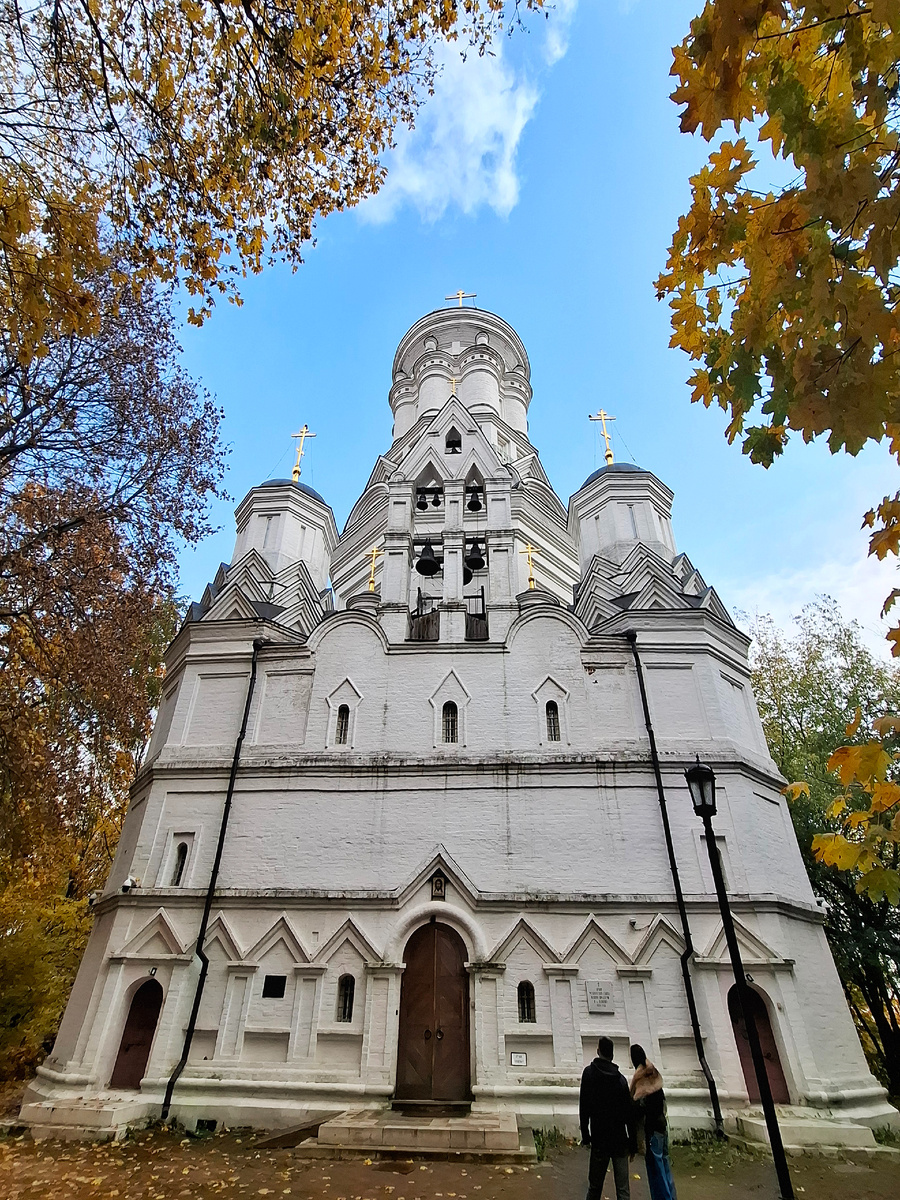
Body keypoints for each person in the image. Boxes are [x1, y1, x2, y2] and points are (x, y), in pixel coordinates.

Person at [579, 1035, 637, 1200]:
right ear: (612, 1055)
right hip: (619, 1140)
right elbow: (628, 1115)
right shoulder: (620, 1081)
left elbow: (584, 1106)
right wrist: (632, 1144)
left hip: (599, 1139)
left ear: (598, 1051)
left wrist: (586, 1134)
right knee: (623, 1190)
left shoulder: (589, 1074)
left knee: (595, 1188)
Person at [629, 1043, 677, 1200]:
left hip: (652, 1129)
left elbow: (638, 1107)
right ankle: (671, 1196)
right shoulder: (654, 1073)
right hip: (662, 1125)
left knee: (656, 1169)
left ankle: (663, 1198)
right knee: (665, 1164)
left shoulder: (640, 1078)